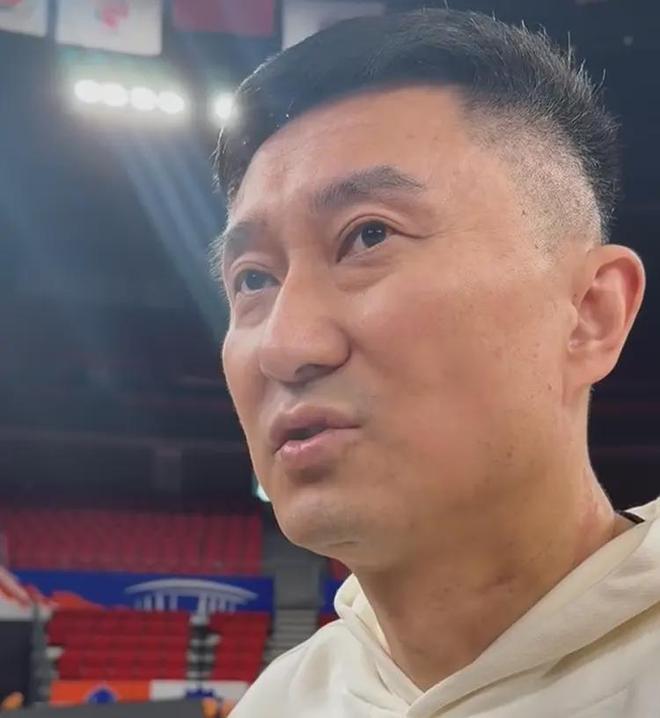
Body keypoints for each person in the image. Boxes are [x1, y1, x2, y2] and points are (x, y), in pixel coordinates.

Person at [212, 8, 659, 716]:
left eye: (368, 236)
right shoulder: (279, 702)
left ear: (589, 313)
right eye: (254, 280)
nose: (284, 346)